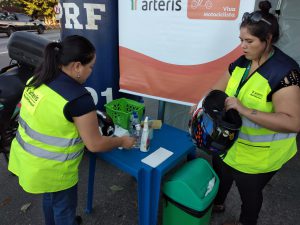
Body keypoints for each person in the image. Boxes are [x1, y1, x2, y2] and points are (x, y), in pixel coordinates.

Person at [8, 35, 135, 225]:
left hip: (29, 161)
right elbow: (95, 144)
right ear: (76, 66)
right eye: (90, 66)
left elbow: (50, 118)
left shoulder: (37, 79)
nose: (91, 71)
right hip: (55, 170)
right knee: (64, 209)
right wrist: (123, 141)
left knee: (50, 200)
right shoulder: (78, 98)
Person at [194, 1, 300, 225]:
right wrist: (199, 105)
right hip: (228, 145)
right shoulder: (241, 62)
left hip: (258, 157)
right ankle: (218, 203)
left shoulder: (285, 73)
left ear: (268, 39)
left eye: (249, 41)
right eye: (241, 40)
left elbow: (293, 122)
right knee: (221, 176)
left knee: (249, 196)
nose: (242, 46)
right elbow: (215, 90)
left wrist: (244, 110)